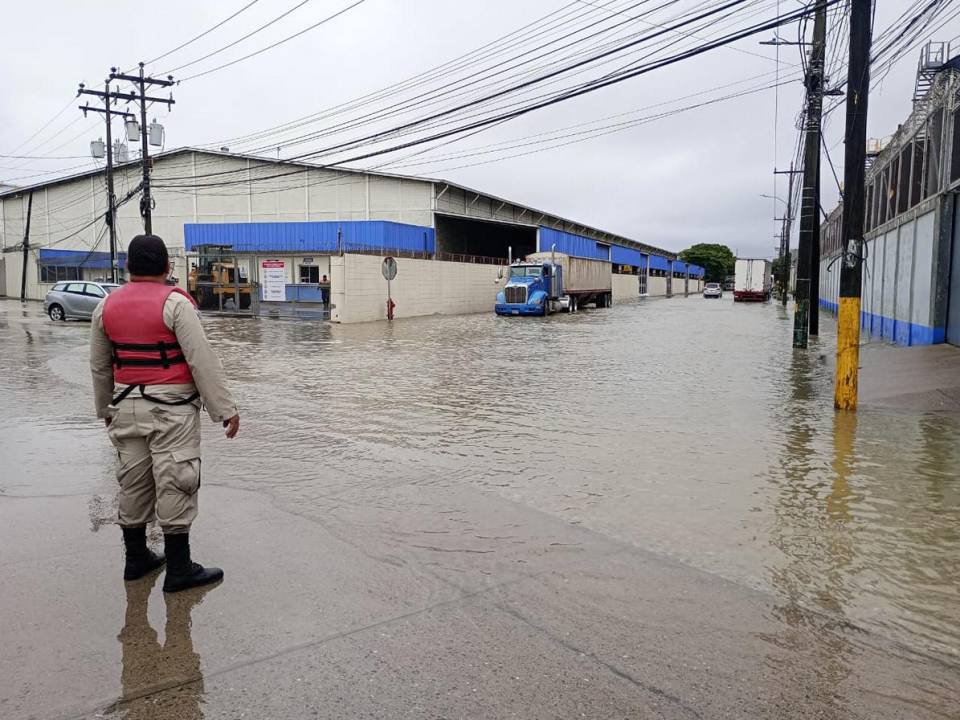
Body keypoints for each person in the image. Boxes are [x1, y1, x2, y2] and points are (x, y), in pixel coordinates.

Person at [90, 234, 240, 593]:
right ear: (168, 267)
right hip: (171, 411)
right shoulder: (176, 305)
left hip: (125, 407)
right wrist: (225, 410)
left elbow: (98, 366)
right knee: (176, 478)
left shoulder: (105, 307)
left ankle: (136, 559)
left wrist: (104, 409)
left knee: (133, 480)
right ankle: (179, 568)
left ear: (128, 267)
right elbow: (202, 361)